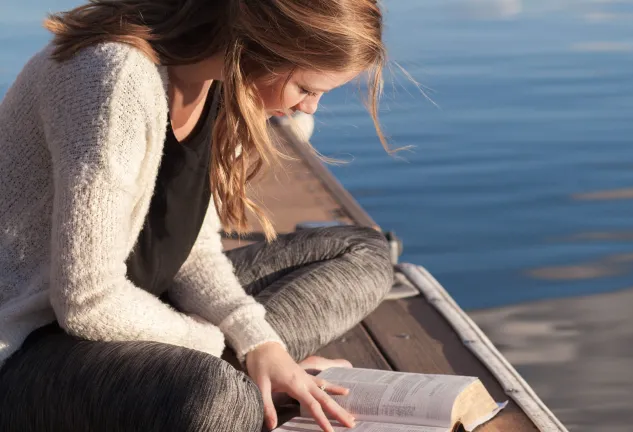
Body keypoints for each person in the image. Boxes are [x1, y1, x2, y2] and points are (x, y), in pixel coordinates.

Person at [0, 0, 393, 431]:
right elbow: (86, 302)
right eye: (305, 88)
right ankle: (239, 376)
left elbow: (190, 249)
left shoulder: (220, 80)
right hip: (31, 345)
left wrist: (260, 343)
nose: (310, 108)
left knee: (362, 251)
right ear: (256, 47)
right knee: (219, 397)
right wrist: (227, 347)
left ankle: (254, 371)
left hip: (144, 307)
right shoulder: (114, 78)